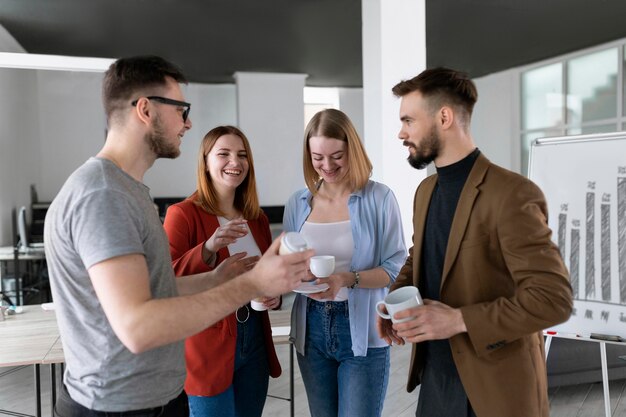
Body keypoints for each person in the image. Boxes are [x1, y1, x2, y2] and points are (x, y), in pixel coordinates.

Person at [44, 55, 313, 417]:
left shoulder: (130, 191)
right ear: (145, 110)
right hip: (116, 407)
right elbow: (138, 327)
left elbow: (155, 286)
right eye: (181, 110)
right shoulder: (104, 195)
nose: (187, 124)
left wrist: (216, 278)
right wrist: (251, 284)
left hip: (152, 398)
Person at [376, 67, 574, 417]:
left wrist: (458, 320)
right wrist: (395, 302)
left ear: (444, 117)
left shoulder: (511, 193)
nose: (401, 132)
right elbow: (420, 256)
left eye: (409, 120)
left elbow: (552, 300)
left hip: (495, 389)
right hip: (435, 380)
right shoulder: (426, 191)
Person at [283, 108, 407, 417]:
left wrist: (347, 279)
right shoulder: (298, 203)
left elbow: (397, 266)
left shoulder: (379, 198)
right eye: (317, 157)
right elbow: (285, 263)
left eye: (337, 156)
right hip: (310, 327)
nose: (327, 166)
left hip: (363, 331)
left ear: (352, 148)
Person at [163, 125, 281, 417]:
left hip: (254, 338)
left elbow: (264, 278)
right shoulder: (183, 214)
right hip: (207, 343)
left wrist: (273, 296)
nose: (235, 162)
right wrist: (208, 248)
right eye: (223, 154)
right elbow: (164, 280)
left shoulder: (257, 219)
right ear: (205, 161)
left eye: (242, 155)